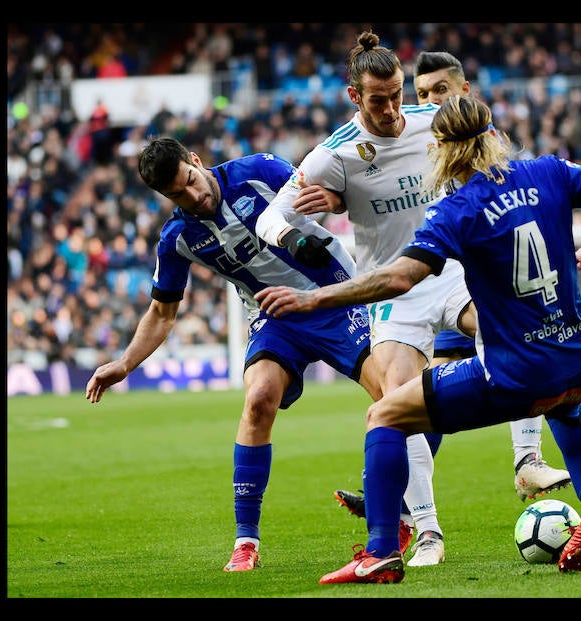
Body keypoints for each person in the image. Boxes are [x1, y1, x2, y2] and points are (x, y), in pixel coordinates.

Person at [255, 95, 581, 583]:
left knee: (385, 414)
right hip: (578, 355)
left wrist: (313, 300)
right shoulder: (550, 171)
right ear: (493, 137)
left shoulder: (458, 209)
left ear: (444, 151)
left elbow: (399, 279)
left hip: (513, 374)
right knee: (570, 398)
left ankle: (382, 550)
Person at [255, 32, 563, 568]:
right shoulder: (336, 154)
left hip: (450, 270)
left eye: (398, 93)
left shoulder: (430, 120)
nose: (394, 108)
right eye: (379, 99)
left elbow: (489, 146)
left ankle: (527, 459)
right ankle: (427, 533)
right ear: (355, 97)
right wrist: (299, 236)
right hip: (391, 291)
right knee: (397, 403)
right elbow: (269, 217)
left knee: (509, 326)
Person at [84, 136, 390, 574]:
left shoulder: (258, 171)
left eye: (190, 180)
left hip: (332, 297)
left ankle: (391, 508)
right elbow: (162, 312)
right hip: (274, 316)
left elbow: (328, 196)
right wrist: (124, 362)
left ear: (196, 159)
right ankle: (246, 541)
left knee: (392, 397)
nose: (192, 196)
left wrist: (334, 200)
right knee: (258, 398)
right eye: (176, 194)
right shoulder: (177, 238)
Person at [332, 50, 570, 531]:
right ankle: (407, 505)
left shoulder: (487, 145)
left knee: (530, 356)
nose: (429, 101)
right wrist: (340, 194)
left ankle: (530, 461)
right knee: (422, 400)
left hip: (464, 280)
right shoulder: (422, 137)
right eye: (421, 94)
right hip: (429, 285)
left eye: (439, 91)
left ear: (464, 91)